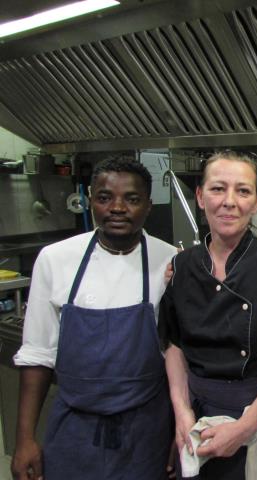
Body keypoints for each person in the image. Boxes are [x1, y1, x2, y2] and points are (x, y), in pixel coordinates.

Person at [12, 157, 178, 480]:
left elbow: (180, 357)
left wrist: (180, 431)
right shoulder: (55, 260)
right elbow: (37, 355)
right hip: (74, 431)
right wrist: (24, 439)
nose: (117, 208)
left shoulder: (171, 261)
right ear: (90, 201)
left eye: (131, 199)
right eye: (104, 197)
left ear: (149, 205)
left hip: (147, 432)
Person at [158, 151, 257, 479]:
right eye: (218, 189)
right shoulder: (181, 265)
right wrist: (181, 413)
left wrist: (245, 426)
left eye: (243, 191)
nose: (229, 201)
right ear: (200, 197)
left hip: (254, 413)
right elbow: (174, 345)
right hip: (193, 415)